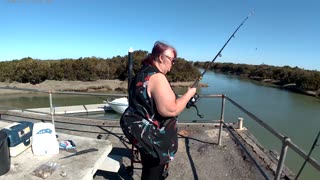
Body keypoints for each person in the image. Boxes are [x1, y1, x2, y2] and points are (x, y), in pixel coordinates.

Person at [120, 41, 197, 180]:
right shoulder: (157, 77)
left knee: (148, 169)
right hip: (154, 140)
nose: (172, 64)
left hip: (143, 136)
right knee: (153, 174)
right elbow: (171, 110)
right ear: (162, 58)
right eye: (172, 60)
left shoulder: (142, 73)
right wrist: (189, 95)